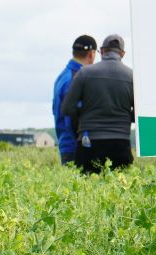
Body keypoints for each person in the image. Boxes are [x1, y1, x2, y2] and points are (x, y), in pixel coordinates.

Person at [62, 34, 135, 174]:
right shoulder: (131, 76)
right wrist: (123, 116)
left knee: (86, 191)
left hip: (89, 142)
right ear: (123, 54)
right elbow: (137, 114)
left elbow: (67, 108)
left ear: (101, 51)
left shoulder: (84, 73)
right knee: (119, 190)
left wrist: (85, 118)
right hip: (121, 143)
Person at [52, 35, 97, 165]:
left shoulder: (62, 76)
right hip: (75, 146)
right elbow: (71, 114)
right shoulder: (76, 78)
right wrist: (82, 141)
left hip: (65, 143)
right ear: (91, 53)